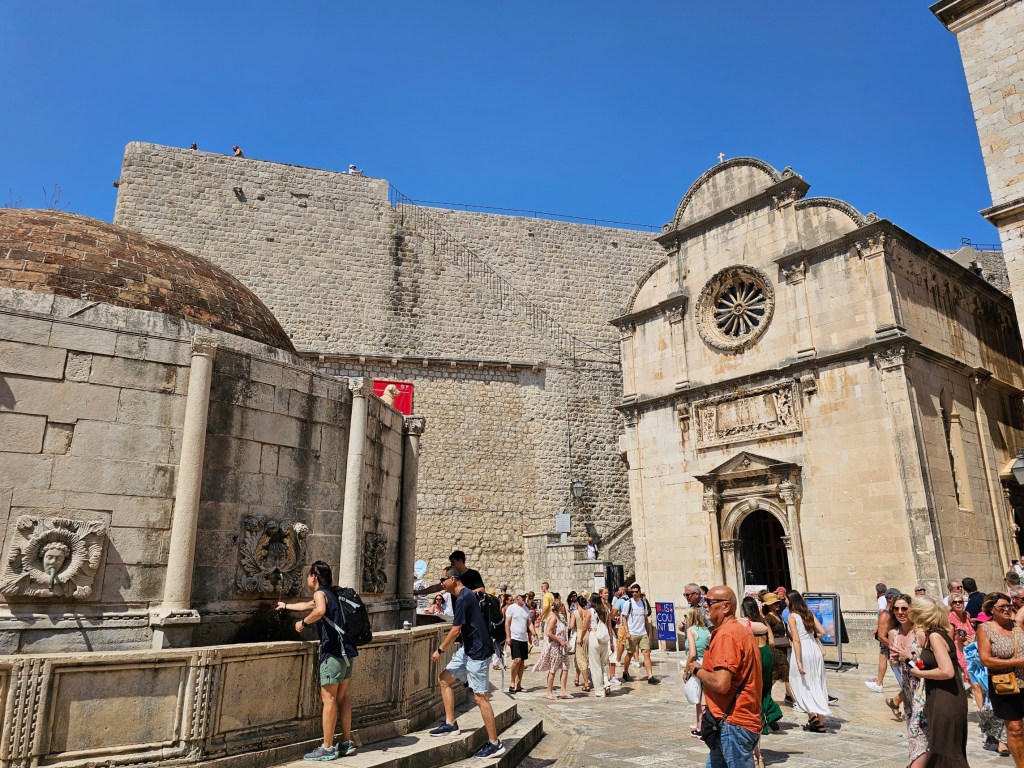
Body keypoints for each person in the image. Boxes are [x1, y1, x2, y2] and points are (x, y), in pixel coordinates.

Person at [275, 561, 357, 760]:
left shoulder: (321, 594)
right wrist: (285, 606)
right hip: (347, 651)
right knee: (343, 697)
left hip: (332, 653)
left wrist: (302, 623)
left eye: (308, 575)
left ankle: (327, 748)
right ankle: (346, 742)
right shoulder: (333, 593)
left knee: (328, 699)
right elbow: (307, 605)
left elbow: (319, 610)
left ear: (313, 576)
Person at [429, 567, 505, 759]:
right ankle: (450, 723)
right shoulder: (464, 595)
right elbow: (469, 624)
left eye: (442, 579)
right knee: (445, 678)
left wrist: (440, 650)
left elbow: (456, 629)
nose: (441, 583)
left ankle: (495, 743)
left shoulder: (463, 597)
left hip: (478, 652)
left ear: (453, 579)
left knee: (480, 698)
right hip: (469, 648)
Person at [686, 586, 762, 768]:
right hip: (728, 721)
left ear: (726, 607)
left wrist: (696, 669)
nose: (704, 605)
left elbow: (721, 684)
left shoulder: (726, 635)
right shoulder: (740, 630)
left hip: (734, 723)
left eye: (710, 602)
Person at [898, 596, 969, 767]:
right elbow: (927, 666)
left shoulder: (936, 636)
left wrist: (919, 674)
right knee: (940, 749)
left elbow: (946, 671)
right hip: (937, 697)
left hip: (947, 699)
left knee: (948, 751)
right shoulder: (932, 635)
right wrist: (909, 658)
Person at [978, 591, 1024, 765]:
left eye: (1008, 605)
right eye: (1001, 607)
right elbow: (985, 659)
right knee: (1015, 728)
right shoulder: (985, 629)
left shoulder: (1018, 625)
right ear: (991, 610)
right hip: (1005, 684)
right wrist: (1017, 662)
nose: (1007, 609)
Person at [888, 593, 927, 764]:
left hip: (923, 686)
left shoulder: (920, 633)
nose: (900, 612)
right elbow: (896, 663)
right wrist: (894, 660)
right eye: (896, 609)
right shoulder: (893, 633)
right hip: (907, 688)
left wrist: (908, 659)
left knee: (917, 728)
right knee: (914, 726)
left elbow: (926, 667)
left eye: (904, 608)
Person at [787, 590, 831, 733]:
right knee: (817, 682)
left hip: (803, 650)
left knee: (802, 683)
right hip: (814, 649)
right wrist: (811, 636)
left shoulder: (792, 616)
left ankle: (813, 718)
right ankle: (820, 722)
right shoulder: (809, 614)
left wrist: (798, 661)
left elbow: (796, 639)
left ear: (791, 601)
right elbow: (823, 632)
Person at [742, 596, 782, 737]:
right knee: (766, 688)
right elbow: (772, 642)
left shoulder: (745, 623)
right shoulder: (763, 622)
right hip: (766, 653)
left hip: (755, 654)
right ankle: (772, 715)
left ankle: (762, 723)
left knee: (755, 690)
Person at [533, 592, 571, 700]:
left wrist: (565, 642)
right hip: (555, 647)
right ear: (559, 607)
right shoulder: (553, 618)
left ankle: (563, 691)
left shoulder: (559, 617)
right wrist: (560, 641)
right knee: (553, 669)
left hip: (562, 647)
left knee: (565, 667)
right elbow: (549, 633)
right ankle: (549, 692)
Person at [682, 606, 712, 739]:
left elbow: (692, 653)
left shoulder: (690, 630)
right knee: (702, 696)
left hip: (696, 664)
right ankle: (699, 725)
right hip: (706, 663)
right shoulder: (706, 630)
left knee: (699, 697)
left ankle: (703, 728)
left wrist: (686, 669)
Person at [760, 593, 795, 707]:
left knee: (775, 676)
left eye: (778, 602)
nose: (777, 604)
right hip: (775, 650)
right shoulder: (768, 618)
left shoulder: (779, 615)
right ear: (769, 605)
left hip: (783, 648)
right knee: (786, 675)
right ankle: (795, 701)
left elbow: (784, 630)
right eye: (775, 603)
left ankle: (762, 695)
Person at [948, 591, 981, 708]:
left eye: (960, 601)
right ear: (951, 605)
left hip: (973, 650)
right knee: (975, 682)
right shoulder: (950, 618)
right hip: (961, 652)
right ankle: (983, 712)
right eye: (954, 602)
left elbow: (972, 630)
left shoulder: (966, 615)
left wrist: (975, 637)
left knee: (979, 680)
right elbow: (949, 639)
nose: (958, 604)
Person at [621, 583, 659, 684]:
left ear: (639, 592)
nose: (634, 594)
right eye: (632, 592)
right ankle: (625, 672)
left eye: (636, 592)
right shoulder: (628, 603)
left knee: (646, 653)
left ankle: (650, 677)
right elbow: (624, 618)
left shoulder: (643, 603)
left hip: (642, 633)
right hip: (632, 633)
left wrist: (648, 632)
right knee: (629, 654)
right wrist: (627, 632)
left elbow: (645, 618)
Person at [866, 587, 900, 693]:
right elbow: (881, 636)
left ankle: (879, 683)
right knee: (885, 658)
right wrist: (893, 646)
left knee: (888, 660)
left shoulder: (893, 612)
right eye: (896, 598)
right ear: (890, 598)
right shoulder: (885, 614)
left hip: (895, 643)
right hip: (889, 643)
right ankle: (879, 683)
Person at [504, 592, 533, 694]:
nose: (524, 598)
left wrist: (534, 635)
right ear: (517, 597)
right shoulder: (511, 608)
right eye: (523, 596)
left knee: (522, 662)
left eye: (525, 596)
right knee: (517, 660)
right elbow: (507, 623)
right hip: (515, 637)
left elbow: (529, 623)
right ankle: (512, 682)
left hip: (523, 638)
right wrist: (508, 637)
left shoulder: (526, 609)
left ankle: (519, 684)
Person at [588, 591, 615, 696]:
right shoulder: (606, 611)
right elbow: (609, 627)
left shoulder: (590, 611)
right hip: (605, 639)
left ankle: (599, 690)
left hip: (594, 637)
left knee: (595, 665)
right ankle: (606, 682)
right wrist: (611, 642)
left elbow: (586, 627)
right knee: (602, 663)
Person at [574, 593, 593, 692]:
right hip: (588, 635)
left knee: (581, 659)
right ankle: (577, 677)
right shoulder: (587, 612)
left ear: (577, 602)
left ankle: (586, 683)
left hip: (580, 635)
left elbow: (572, 625)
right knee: (587, 657)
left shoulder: (575, 612)